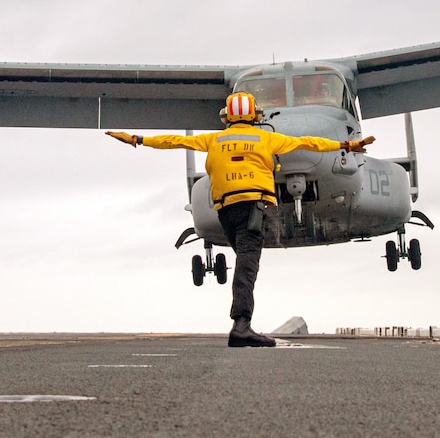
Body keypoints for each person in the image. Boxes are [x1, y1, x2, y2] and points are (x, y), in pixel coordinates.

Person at [106, 92, 374, 347]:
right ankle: (241, 326)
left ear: (228, 116)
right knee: (247, 266)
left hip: (225, 210)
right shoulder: (266, 138)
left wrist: (137, 139)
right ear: (254, 115)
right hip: (251, 207)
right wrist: (347, 145)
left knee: (244, 261)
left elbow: (174, 141)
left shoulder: (214, 139)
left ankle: (242, 323)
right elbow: (308, 143)